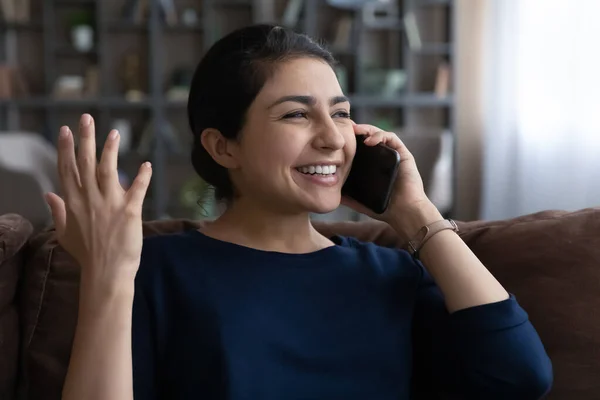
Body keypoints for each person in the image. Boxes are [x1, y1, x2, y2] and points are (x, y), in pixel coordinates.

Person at [47, 24, 553, 400]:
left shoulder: (392, 273)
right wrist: (107, 279)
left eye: (340, 112)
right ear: (224, 148)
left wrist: (416, 212)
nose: (334, 138)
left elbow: (521, 377)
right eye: (296, 114)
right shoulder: (154, 272)